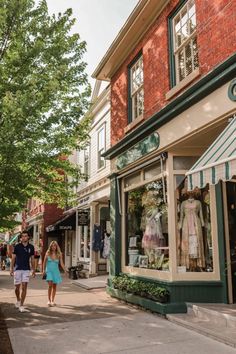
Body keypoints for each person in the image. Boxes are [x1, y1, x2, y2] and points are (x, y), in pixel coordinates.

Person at [179, 191, 205, 271]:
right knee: (187, 243)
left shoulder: (198, 202)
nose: (190, 193)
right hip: (186, 225)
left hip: (196, 224)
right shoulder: (183, 203)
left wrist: (202, 222)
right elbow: (181, 216)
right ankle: (187, 264)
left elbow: (201, 214)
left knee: (196, 242)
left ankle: (198, 264)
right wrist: (180, 224)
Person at [10, 231, 35, 312]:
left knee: (24, 286)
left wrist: (33, 270)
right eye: (23, 236)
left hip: (26, 269)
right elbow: (13, 258)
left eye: (26, 236)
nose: (24, 237)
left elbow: (32, 259)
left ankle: (21, 305)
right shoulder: (17, 246)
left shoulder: (31, 247)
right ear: (21, 238)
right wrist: (11, 269)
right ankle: (18, 300)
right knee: (17, 288)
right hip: (17, 269)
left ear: (28, 237)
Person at [42, 240, 67, 307]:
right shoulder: (47, 253)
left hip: (56, 272)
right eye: (52, 246)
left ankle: (53, 300)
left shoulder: (59, 254)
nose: (53, 247)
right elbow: (44, 262)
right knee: (50, 285)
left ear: (56, 246)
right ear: (50, 246)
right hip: (49, 271)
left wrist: (65, 270)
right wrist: (43, 270)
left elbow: (61, 263)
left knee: (54, 286)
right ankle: (49, 300)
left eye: (55, 245)